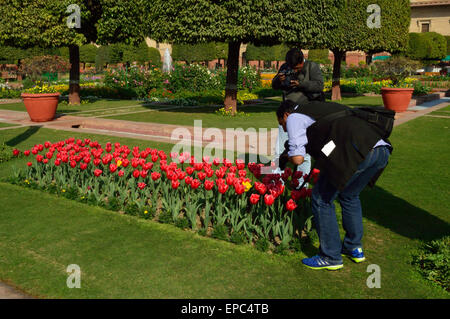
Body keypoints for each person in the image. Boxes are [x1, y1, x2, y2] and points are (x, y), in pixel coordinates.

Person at [276, 100, 392, 270]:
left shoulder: (294, 117)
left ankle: (330, 256)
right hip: (381, 150)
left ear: (285, 115)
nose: (285, 129)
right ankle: (354, 247)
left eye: (282, 124)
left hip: (357, 152)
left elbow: (298, 159)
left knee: (321, 199)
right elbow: (331, 139)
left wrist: (291, 155)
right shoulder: (320, 109)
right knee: (349, 195)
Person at [272, 48, 324, 184]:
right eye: (291, 68)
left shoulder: (312, 66)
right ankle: (277, 184)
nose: (294, 70)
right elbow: (274, 85)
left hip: (305, 117)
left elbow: (319, 86)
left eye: (296, 68)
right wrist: (278, 79)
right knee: (279, 151)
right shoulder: (285, 67)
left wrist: (301, 84)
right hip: (286, 115)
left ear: (302, 61)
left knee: (304, 153)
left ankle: (302, 185)